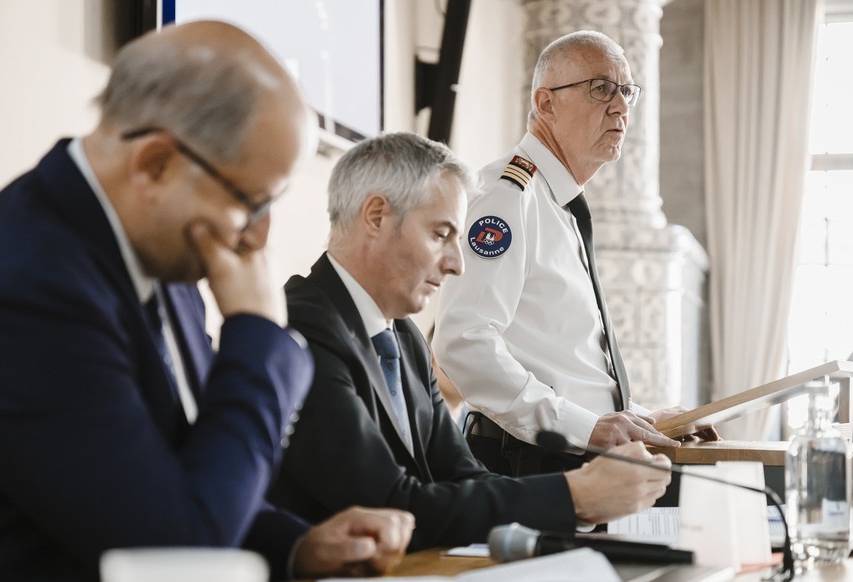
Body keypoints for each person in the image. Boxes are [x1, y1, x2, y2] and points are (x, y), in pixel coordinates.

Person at [0, 21, 413, 581]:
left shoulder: (159, 248)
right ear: (155, 163)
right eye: (252, 203)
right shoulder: (29, 288)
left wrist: (297, 545)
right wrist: (259, 332)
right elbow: (175, 549)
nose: (258, 237)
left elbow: (177, 475)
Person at [270, 132, 671, 550]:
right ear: (376, 217)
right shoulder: (300, 329)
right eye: (441, 234)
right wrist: (575, 496)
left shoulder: (404, 337)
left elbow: (463, 476)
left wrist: (583, 503)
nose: (457, 264)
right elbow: (391, 506)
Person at [432, 31, 718, 476]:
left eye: (627, 91)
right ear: (546, 104)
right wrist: (584, 428)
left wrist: (640, 419)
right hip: (527, 461)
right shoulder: (508, 198)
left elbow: (567, 364)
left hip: (568, 457)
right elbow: (462, 341)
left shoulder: (559, 203)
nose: (621, 107)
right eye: (601, 88)